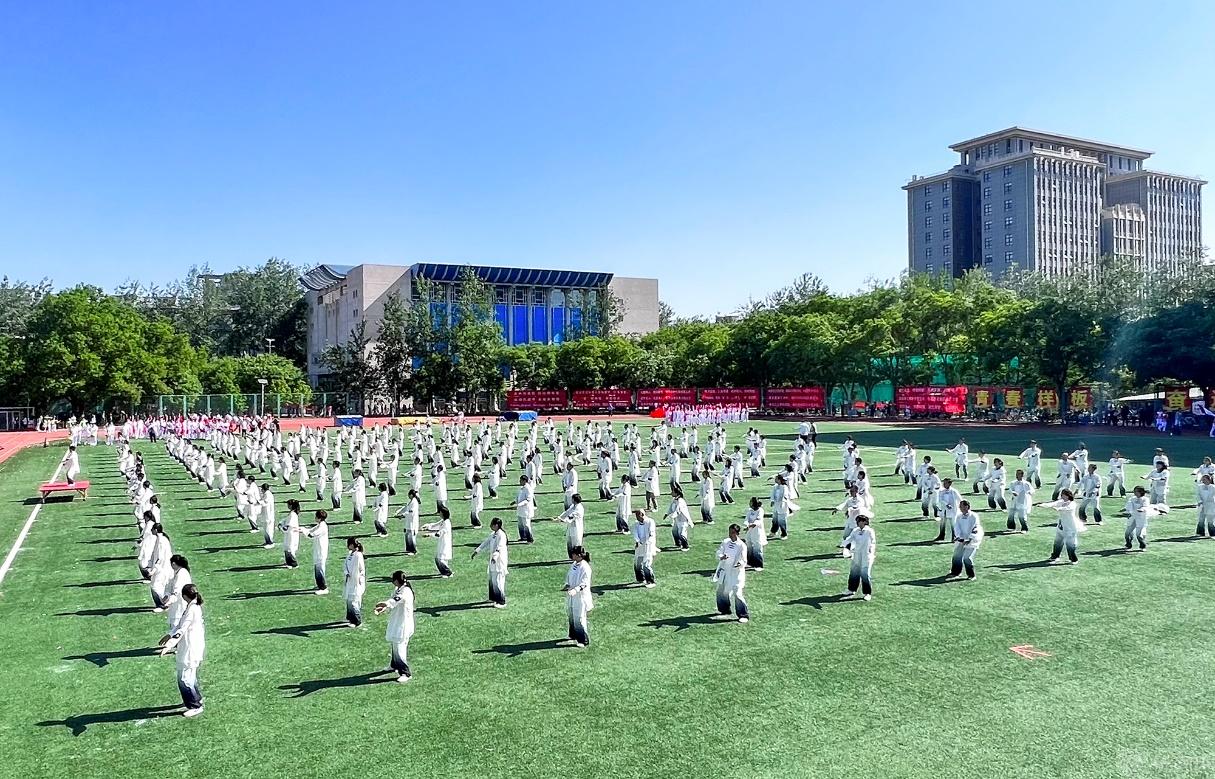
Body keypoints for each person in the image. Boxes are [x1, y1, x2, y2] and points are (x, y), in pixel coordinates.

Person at [158, 583, 205, 717]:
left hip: (190, 648)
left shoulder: (192, 609)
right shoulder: (193, 606)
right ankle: (197, 698)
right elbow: (180, 625)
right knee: (190, 676)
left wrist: (169, 645)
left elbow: (182, 629)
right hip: (191, 646)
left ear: (184, 596)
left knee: (185, 678)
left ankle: (195, 706)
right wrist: (169, 635)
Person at [373, 571, 415, 683]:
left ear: (397, 580)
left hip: (403, 624)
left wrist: (384, 603)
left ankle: (405, 673)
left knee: (400, 647)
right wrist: (383, 608)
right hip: (397, 621)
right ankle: (394, 665)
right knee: (395, 644)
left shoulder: (406, 591)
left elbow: (395, 600)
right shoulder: (398, 589)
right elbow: (393, 601)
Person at [713, 524, 749, 623]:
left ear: (737, 533)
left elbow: (744, 560)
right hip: (725, 571)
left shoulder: (742, 545)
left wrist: (739, 564)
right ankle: (724, 609)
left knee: (737, 593)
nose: (730, 534)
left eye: (732, 532)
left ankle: (743, 614)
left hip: (736, 573)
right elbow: (718, 552)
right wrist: (721, 556)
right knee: (722, 591)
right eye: (729, 532)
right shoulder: (725, 542)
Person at [1037, 489, 1084, 564]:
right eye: (1061, 494)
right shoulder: (1061, 501)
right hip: (1061, 526)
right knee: (1057, 542)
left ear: (1068, 495)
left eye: (1063, 495)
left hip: (1070, 527)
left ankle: (1073, 559)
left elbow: (1065, 509)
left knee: (1070, 544)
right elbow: (1053, 504)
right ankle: (1055, 556)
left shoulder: (1072, 504)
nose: (1061, 496)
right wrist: (1043, 505)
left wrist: (1057, 508)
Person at [471, 518, 509, 608]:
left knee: (498, 581)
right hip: (493, 561)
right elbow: (486, 542)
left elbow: (500, 547)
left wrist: (495, 557)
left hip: (499, 561)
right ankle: (493, 597)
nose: (490, 526)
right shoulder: (493, 534)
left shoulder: (502, 535)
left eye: (492, 524)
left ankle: (501, 601)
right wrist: (477, 551)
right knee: (492, 580)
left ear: (496, 525)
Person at [562, 547, 593, 648]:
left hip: (580, 597)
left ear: (579, 555)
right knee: (571, 615)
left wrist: (575, 590)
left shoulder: (585, 567)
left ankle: (583, 640)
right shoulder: (574, 564)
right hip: (572, 596)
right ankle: (573, 634)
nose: (572, 555)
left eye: (574, 554)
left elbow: (584, 583)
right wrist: (567, 585)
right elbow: (570, 576)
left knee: (579, 617)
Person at [841, 515, 875, 601]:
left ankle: (867, 593)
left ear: (864, 522)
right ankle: (851, 589)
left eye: (859, 521)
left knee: (865, 574)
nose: (858, 523)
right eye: (857, 521)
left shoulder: (869, 531)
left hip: (866, 555)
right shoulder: (855, 530)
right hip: (857, 554)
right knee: (854, 572)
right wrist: (844, 545)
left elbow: (873, 542)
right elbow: (849, 539)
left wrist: (871, 552)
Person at [948, 500, 984, 581]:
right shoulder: (959, 516)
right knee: (957, 556)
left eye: (961, 506)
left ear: (966, 506)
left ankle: (971, 575)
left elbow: (976, 528)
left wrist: (969, 539)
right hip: (961, 539)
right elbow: (957, 527)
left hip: (973, 540)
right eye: (960, 506)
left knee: (967, 558)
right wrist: (959, 537)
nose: (960, 508)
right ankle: (955, 572)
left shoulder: (974, 516)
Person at [1124, 486, 1165, 551]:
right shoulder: (1132, 498)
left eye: (1136, 491)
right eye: (1134, 491)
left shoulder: (1145, 499)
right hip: (1133, 516)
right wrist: (1129, 512)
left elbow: (1146, 506)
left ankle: (1142, 545)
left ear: (1141, 492)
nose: (1135, 493)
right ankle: (1128, 543)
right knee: (1127, 532)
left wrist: (1142, 509)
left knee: (1139, 534)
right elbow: (1129, 505)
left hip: (1141, 517)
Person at [422, 506, 454, 578]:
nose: (439, 514)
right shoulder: (443, 521)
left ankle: (448, 573)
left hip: (444, 543)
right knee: (440, 558)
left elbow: (439, 534)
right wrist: (427, 526)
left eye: (440, 512)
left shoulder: (446, 523)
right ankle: (444, 572)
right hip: (442, 542)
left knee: (440, 559)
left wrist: (429, 535)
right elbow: (436, 525)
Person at [147, 524, 174, 611]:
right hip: (162, 567)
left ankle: (163, 604)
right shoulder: (161, 539)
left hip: (162, 568)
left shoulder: (161, 541)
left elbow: (160, 558)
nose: (151, 530)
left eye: (152, 529)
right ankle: (161, 604)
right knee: (157, 586)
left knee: (156, 586)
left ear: (155, 530)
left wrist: (153, 570)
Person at [343, 537, 366, 626]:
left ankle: (357, 621)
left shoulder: (358, 555)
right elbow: (345, 565)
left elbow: (361, 569)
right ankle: (350, 618)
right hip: (349, 580)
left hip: (356, 582)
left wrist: (359, 579)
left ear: (352, 545)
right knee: (349, 600)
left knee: (354, 601)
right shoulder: (350, 554)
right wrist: (346, 573)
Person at [305, 510, 329, 594]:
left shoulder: (322, 527)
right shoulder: (320, 525)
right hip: (318, 550)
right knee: (317, 567)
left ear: (319, 518)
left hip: (321, 551)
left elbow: (311, 535)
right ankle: (320, 585)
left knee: (320, 568)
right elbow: (311, 530)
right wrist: (302, 529)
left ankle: (323, 588)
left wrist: (304, 531)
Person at [554, 494, 586, 558]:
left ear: (574, 500)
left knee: (576, 543)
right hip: (571, 526)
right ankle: (572, 556)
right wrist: (559, 517)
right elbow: (567, 512)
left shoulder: (579, 509)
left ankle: (578, 556)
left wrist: (560, 520)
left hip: (576, 528)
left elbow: (570, 517)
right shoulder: (573, 506)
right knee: (570, 542)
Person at [632, 509, 657, 588]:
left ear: (642, 514)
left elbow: (651, 534)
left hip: (648, 545)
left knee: (646, 564)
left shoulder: (650, 522)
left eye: (638, 515)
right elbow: (635, 533)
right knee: (637, 562)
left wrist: (647, 542)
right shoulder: (636, 524)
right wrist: (638, 541)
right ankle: (640, 578)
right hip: (640, 545)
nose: (636, 517)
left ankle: (651, 581)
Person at [665, 484, 693, 551]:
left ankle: (685, 546)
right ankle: (678, 543)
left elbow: (678, 510)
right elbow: (671, 508)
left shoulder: (680, 501)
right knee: (674, 531)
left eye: (672, 492)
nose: (671, 493)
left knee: (682, 533)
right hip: (677, 519)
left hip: (682, 520)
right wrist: (667, 514)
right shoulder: (674, 500)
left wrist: (673, 516)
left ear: (676, 493)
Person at [742, 497, 766, 570]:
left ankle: (759, 565)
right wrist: (746, 525)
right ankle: (750, 563)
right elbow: (746, 519)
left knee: (757, 547)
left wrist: (751, 525)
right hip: (749, 531)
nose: (749, 503)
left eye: (751, 502)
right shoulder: (749, 510)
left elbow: (758, 520)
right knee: (749, 545)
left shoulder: (760, 510)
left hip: (757, 531)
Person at [514, 477, 537, 544]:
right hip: (520, 510)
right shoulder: (521, 488)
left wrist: (519, 504)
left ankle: (530, 539)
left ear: (524, 481)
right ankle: (523, 537)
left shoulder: (528, 489)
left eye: (521, 480)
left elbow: (528, 499)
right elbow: (519, 496)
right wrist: (515, 502)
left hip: (526, 510)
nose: (519, 482)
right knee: (520, 524)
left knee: (526, 525)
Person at [281, 499, 303, 568]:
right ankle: (288, 562)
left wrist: (282, 527)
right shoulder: (292, 513)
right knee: (287, 547)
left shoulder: (292, 515)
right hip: (289, 533)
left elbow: (289, 525)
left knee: (290, 547)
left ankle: (293, 563)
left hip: (291, 534)